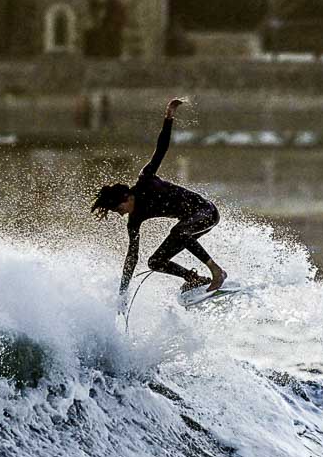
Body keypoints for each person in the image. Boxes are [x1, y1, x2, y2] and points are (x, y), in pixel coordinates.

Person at [91, 97, 227, 311]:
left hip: (206, 212)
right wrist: (123, 294)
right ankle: (193, 279)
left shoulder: (145, 179)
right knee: (155, 262)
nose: (120, 214)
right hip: (188, 226)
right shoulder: (134, 219)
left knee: (179, 231)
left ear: (126, 197)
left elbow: (161, 148)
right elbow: (132, 257)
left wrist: (169, 118)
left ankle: (217, 272)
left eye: (119, 209)